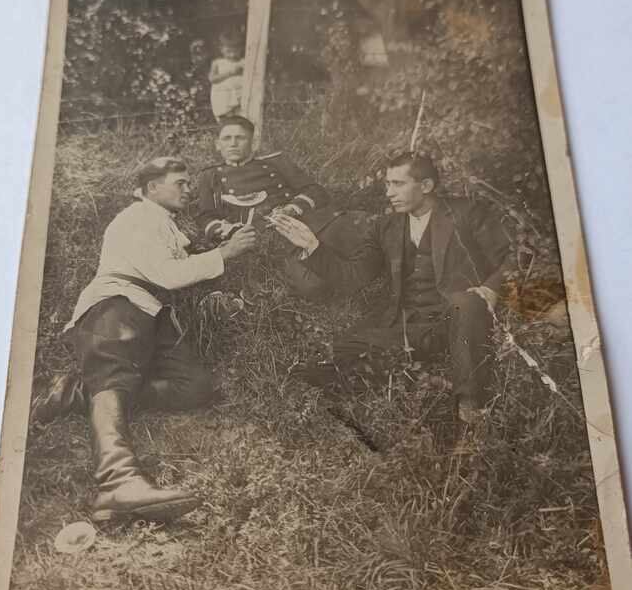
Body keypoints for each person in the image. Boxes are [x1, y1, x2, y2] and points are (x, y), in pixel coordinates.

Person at [31, 157, 256, 522]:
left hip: (150, 314)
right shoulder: (137, 218)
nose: (188, 189)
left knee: (194, 386)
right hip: (116, 303)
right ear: (153, 188)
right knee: (114, 377)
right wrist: (224, 255)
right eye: (180, 183)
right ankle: (117, 482)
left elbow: (179, 268)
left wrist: (219, 245)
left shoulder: (165, 224)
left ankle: (67, 390)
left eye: (188, 183)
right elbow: (166, 275)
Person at [270, 151, 510, 422]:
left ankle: (470, 404)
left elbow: (512, 257)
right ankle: (403, 385)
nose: (389, 193)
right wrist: (313, 246)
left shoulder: (466, 213)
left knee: (465, 301)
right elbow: (353, 277)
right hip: (407, 322)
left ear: (426, 186)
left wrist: (491, 288)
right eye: (387, 184)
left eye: (398, 184)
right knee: (329, 358)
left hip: (456, 319)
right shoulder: (387, 226)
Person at [196, 115, 331, 243]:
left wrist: (291, 209)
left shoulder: (277, 162)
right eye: (226, 138)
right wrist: (224, 229)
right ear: (217, 144)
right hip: (245, 239)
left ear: (253, 142)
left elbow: (315, 191)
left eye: (240, 138)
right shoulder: (209, 175)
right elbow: (206, 216)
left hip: (291, 228)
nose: (233, 144)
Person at [209, 34, 245, 120]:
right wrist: (231, 73)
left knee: (241, 117)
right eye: (228, 51)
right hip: (224, 96)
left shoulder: (243, 62)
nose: (232, 55)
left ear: (241, 49)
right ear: (221, 50)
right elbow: (212, 79)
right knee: (226, 119)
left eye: (235, 51)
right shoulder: (218, 63)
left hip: (239, 95)